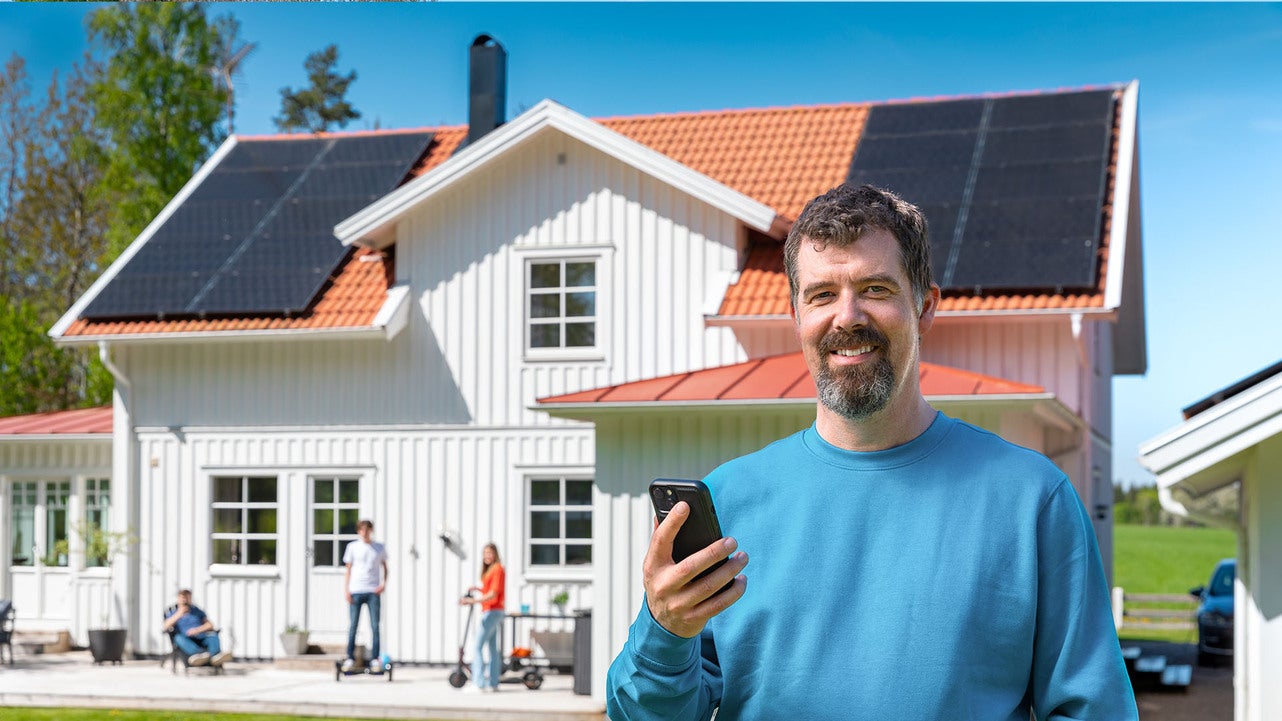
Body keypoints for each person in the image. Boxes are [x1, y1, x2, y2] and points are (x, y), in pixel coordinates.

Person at [606, 183, 1137, 720]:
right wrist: (664, 631)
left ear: (925, 306)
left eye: (876, 289)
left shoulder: (1031, 501)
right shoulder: (729, 500)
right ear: (796, 315)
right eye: (821, 295)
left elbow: (1094, 710)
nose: (848, 317)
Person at [342, 518, 388, 673]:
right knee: (353, 626)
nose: (365, 532)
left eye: (368, 529)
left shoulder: (379, 547)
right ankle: (350, 657)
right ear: (358, 531)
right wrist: (346, 589)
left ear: (371, 530)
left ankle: (375, 659)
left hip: (372, 591)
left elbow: (385, 567)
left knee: (375, 626)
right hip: (356, 590)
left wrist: (383, 584)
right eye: (362, 529)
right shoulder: (352, 547)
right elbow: (348, 569)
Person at [460, 542, 505, 692]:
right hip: (494, 611)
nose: (487, 556)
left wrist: (472, 600)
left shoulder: (497, 569)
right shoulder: (491, 570)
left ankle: (478, 683)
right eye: (485, 553)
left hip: (492, 611)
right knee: (492, 648)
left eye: (489, 553)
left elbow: (493, 593)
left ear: (495, 554)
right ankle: (493, 683)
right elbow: (489, 589)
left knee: (477, 646)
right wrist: (478, 589)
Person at [162, 589, 231, 667]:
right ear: (178, 599)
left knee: (213, 635)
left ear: (190, 599)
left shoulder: (197, 611)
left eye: (187, 598)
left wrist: (197, 630)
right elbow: (165, 626)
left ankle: (215, 657)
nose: (185, 600)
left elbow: (210, 625)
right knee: (178, 638)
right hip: (185, 637)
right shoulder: (173, 612)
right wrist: (179, 614)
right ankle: (198, 655)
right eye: (182, 598)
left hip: (201, 636)